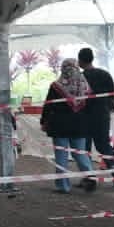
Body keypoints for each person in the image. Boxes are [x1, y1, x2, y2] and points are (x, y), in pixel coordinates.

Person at [40, 59, 97, 193]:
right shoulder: (85, 86)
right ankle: (90, 178)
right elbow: (91, 107)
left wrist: (43, 121)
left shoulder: (56, 86)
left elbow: (48, 105)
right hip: (79, 125)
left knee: (61, 156)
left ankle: (63, 186)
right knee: (81, 154)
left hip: (60, 126)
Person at [78, 48, 114, 188]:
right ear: (92, 58)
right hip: (102, 116)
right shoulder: (104, 74)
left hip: (84, 118)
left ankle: (89, 179)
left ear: (80, 61)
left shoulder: (79, 78)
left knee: (84, 148)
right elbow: (113, 97)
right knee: (104, 145)